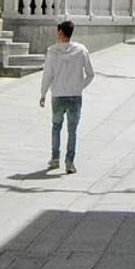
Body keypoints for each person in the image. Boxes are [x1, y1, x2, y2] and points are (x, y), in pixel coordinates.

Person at [39, 19, 95, 173]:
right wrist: (79, 86)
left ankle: (55, 157)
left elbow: (47, 75)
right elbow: (90, 74)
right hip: (75, 97)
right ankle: (69, 161)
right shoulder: (81, 50)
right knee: (72, 130)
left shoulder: (52, 51)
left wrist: (43, 94)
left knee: (56, 127)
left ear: (60, 33)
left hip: (58, 95)